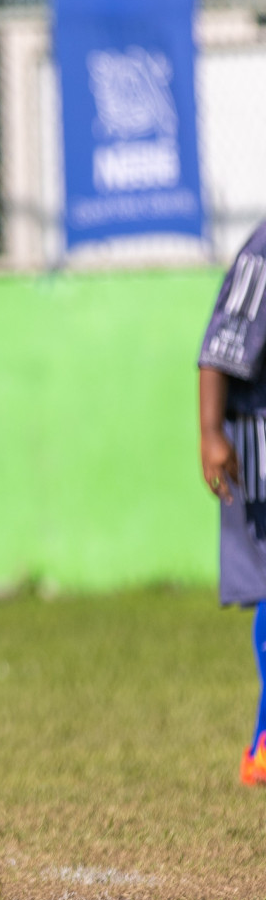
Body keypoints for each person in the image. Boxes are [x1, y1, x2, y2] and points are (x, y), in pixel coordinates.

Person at [199, 221, 266, 786]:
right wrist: (210, 432)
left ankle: (261, 746)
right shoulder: (262, 253)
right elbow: (219, 348)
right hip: (258, 447)